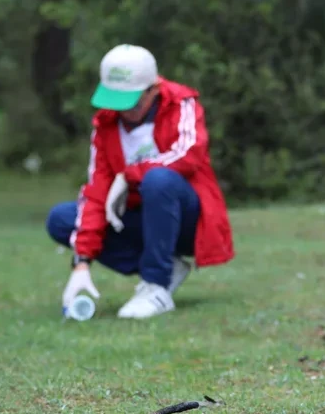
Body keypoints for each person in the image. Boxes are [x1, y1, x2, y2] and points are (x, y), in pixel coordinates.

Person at [46, 45, 234, 318]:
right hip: (139, 218)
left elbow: (188, 155)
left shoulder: (182, 104)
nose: (125, 112)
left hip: (187, 219)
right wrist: (81, 262)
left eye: (133, 102)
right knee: (61, 219)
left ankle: (157, 286)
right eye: (117, 102)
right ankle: (167, 267)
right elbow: (97, 192)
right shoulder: (105, 126)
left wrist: (129, 175)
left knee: (158, 180)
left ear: (153, 89)